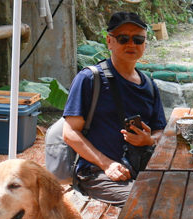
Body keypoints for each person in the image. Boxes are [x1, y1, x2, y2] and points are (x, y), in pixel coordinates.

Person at [62, 11, 166, 206]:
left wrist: (149, 139)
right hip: (98, 173)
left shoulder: (149, 85)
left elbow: (161, 131)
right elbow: (69, 133)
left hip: (140, 168)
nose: (131, 44)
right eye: (123, 38)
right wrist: (106, 164)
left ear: (145, 44)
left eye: (137, 39)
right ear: (110, 42)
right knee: (144, 204)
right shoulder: (90, 79)